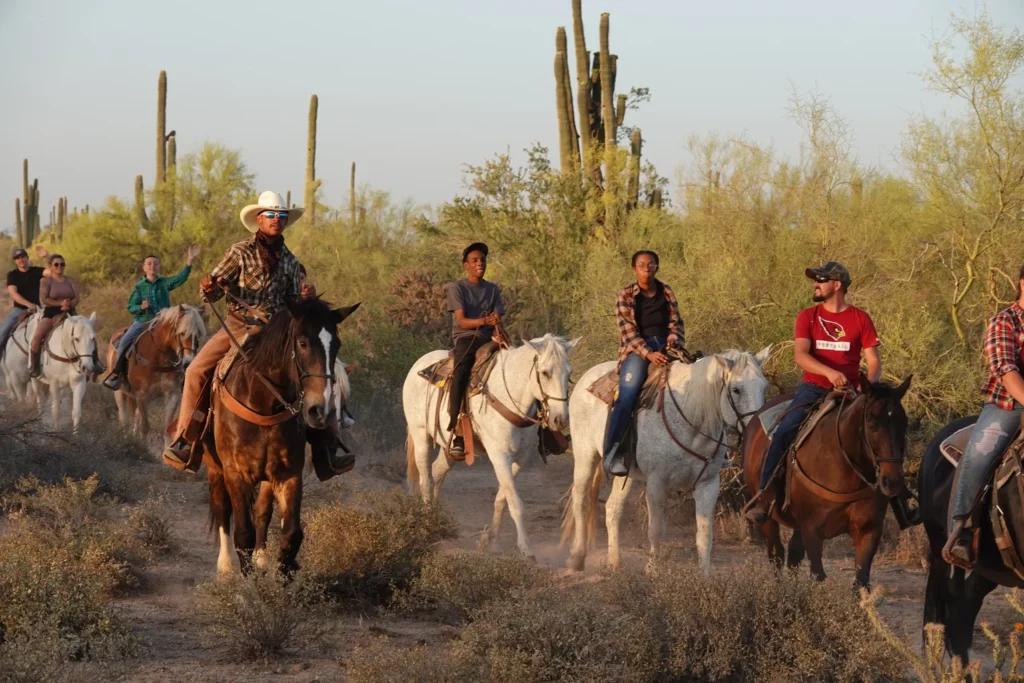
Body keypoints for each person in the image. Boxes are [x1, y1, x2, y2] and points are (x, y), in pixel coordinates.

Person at [161, 191, 354, 478]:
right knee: (197, 371)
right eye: (272, 215)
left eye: (281, 216)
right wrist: (210, 286)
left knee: (325, 369)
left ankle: (329, 446)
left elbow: (293, 303)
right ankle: (186, 439)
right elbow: (210, 290)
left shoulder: (291, 260)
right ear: (259, 219)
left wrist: (304, 298)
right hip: (239, 325)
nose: (277, 220)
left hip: (278, 331)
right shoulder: (239, 251)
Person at [743, 261, 881, 524]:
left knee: (886, 428)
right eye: (815, 280)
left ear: (837, 285)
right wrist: (829, 373)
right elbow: (801, 356)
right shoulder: (808, 316)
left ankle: (899, 500)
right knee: (785, 430)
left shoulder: (860, 319)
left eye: (821, 279)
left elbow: (874, 362)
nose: (815, 284)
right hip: (814, 388)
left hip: (852, 392)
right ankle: (765, 495)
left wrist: (868, 389)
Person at [943, 264, 1024, 567]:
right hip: (1009, 407)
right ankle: (962, 531)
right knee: (979, 453)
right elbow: (1006, 369)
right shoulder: (1005, 321)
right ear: (1023, 284)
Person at [603, 250, 685, 476]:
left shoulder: (666, 291)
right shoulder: (626, 295)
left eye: (651, 265)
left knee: (703, 379)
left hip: (666, 347)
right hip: (637, 351)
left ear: (657, 267)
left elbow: (676, 323)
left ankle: (710, 452)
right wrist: (649, 354)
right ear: (634, 269)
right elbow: (627, 332)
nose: (646, 269)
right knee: (627, 395)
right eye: (641, 265)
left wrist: (673, 340)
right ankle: (613, 453)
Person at [103, 247, 200, 390]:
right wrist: (140, 307)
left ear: (159, 267)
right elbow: (130, 306)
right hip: (143, 321)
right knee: (124, 341)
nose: (152, 266)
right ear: (144, 268)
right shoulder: (139, 287)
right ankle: (117, 373)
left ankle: (186, 375)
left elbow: (180, 279)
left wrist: (189, 261)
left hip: (162, 322)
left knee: (184, 340)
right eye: (149, 263)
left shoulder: (164, 283)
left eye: (155, 264)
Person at [445, 242, 504, 460]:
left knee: (525, 365)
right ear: (466, 265)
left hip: (491, 337)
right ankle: (456, 427)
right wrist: (484, 320)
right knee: (461, 372)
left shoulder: (493, 289)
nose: (480, 263)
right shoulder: (457, 288)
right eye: (475, 260)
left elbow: (498, 314)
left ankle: (542, 430)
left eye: (483, 260)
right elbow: (461, 320)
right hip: (467, 338)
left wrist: (495, 320)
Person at [29, 254, 80, 378]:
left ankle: (92, 363)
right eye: (56, 264)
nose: (59, 267)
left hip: (69, 311)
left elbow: (77, 297)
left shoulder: (70, 280)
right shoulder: (46, 281)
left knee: (86, 333)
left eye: (62, 264)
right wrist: (60, 303)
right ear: (50, 266)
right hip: (51, 312)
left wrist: (68, 305)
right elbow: (45, 299)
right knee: (37, 336)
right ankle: (34, 365)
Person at [1, 246, 49, 362]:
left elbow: (52, 272)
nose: (21, 260)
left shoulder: (35, 271)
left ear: (27, 258)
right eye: (18, 258)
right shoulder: (12, 275)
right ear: (15, 261)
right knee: (2, 332)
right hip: (19, 310)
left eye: (23, 257)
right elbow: (13, 293)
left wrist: (46, 257)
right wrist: (28, 304)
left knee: (57, 327)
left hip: (37, 310)